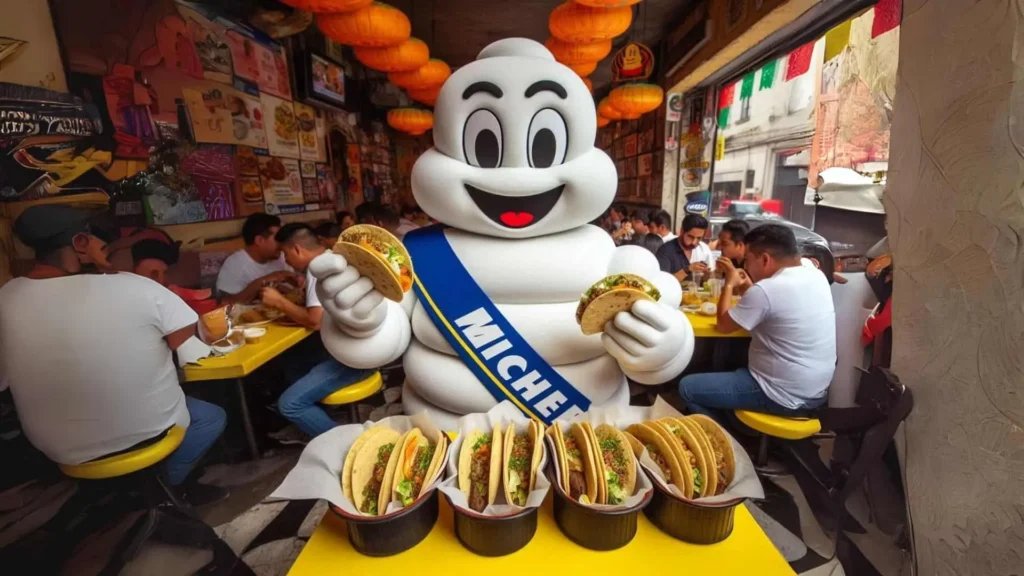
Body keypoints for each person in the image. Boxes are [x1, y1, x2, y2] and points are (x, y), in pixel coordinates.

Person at [0, 206, 227, 504]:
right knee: (210, 417)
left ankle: (128, 499)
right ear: (81, 243)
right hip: (150, 432)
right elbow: (181, 338)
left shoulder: (5, 298)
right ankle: (165, 494)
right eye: (102, 244)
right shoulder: (133, 286)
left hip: (59, 450)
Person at [679, 224, 836, 421]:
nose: (745, 267)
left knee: (687, 387)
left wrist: (729, 283)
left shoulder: (767, 289)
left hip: (781, 395)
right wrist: (748, 288)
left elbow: (724, 325)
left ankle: (727, 442)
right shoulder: (813, 272)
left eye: (747, 260)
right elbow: (772, 306)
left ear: (765, 259)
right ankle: (738, 427)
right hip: (816, 390)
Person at [267, 224, 375, 438]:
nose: (285, 260)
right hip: (364, 349)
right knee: (290, 364)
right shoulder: (331, 257)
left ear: (297, 249)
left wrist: (279, 302)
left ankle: (347, 445)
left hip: (352, 358)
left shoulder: (319, 270)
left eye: (285, 253)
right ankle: (317, 414)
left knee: (289, 404)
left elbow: (314, 321)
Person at [216, 213, 299, 304]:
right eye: (277, 239)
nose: (282, 243)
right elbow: (224, 303)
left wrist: (296, 280)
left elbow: (291, 286)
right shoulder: (235, 264)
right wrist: (262, 282)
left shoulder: (280, 256)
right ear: (259, 240)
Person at [655, 213, 714, 282]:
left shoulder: (703, 249)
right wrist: (687, 270)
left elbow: (707, 280)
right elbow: (663, 282)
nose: (694, 242)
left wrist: (707, 275)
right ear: (682, 231)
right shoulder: (665, 251)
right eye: (691, 237)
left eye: (699, 238)